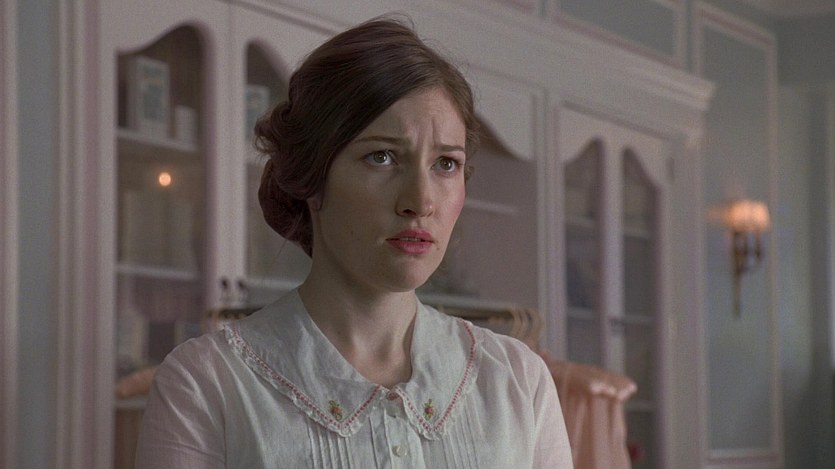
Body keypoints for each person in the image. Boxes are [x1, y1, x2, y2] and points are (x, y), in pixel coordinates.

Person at [136, 16, 573, 468]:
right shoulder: (206, 385)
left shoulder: (518, 381)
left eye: (446, 164)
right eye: (381, 157)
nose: (421, 201)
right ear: (312, 178)